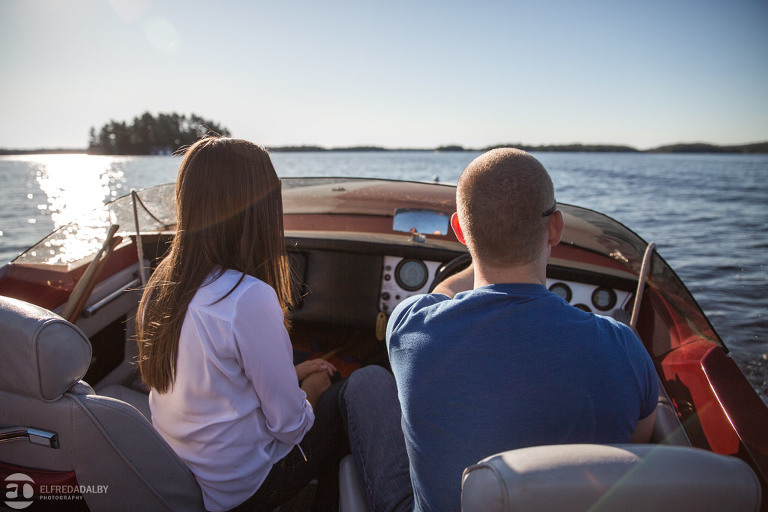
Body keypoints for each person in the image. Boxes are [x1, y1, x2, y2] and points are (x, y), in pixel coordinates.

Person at [386, 148, 659, 512]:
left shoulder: (410, 328)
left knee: (365, 385)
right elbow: (635, 448)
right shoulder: (625, 348)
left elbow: (440, 297)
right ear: (555, 227)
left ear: (460, 231)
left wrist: (485, 250)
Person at [137, 136, 348, 512]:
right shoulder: (247, 297)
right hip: (242, 492)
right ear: (260, 208)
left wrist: (292, 374)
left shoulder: (161, 284)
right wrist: (312, 389)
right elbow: (290, 427)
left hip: (182, 471)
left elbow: (211, 387)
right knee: (354, 389)